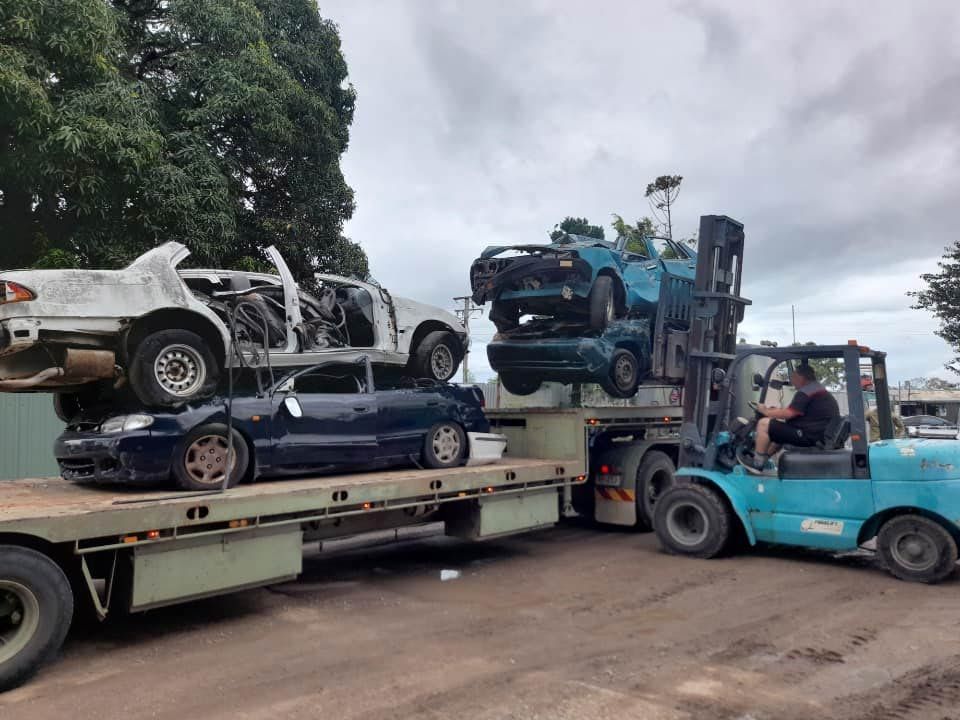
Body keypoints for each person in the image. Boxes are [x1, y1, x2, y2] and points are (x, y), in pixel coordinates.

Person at [753, 364, 840, 470]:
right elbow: (795, 412)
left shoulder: (806, 392)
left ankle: (756, 463)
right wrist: (774, 411)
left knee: (763, 424)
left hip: (809, 436)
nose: (792, 381)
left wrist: (765, 411)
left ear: (800, 378)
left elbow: (790, 413)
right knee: (779, 434)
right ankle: (765, 459)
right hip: (817, 434)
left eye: (793, 378)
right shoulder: (817, 389)